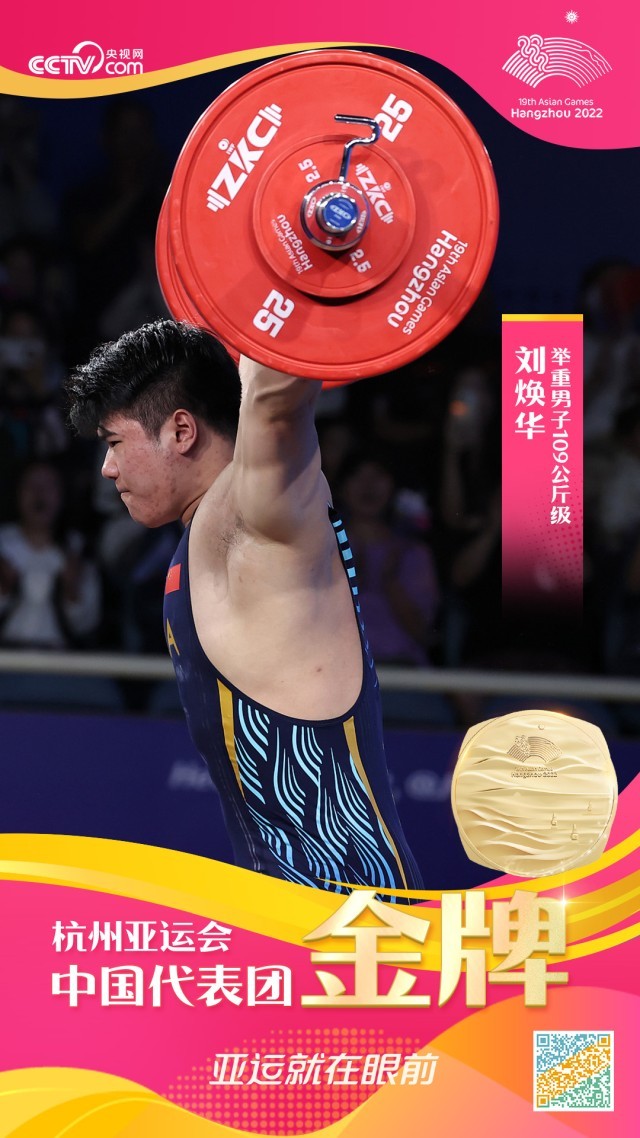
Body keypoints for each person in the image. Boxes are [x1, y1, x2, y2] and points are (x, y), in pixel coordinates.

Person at [66, 320, 423, 896]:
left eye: (114, 443)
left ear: (181, 430)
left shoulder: (255, 512)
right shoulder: (209, 532)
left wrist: (300, 278)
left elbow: (276, 400)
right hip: (289, 912)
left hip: (351, 913)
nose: (108, 469)